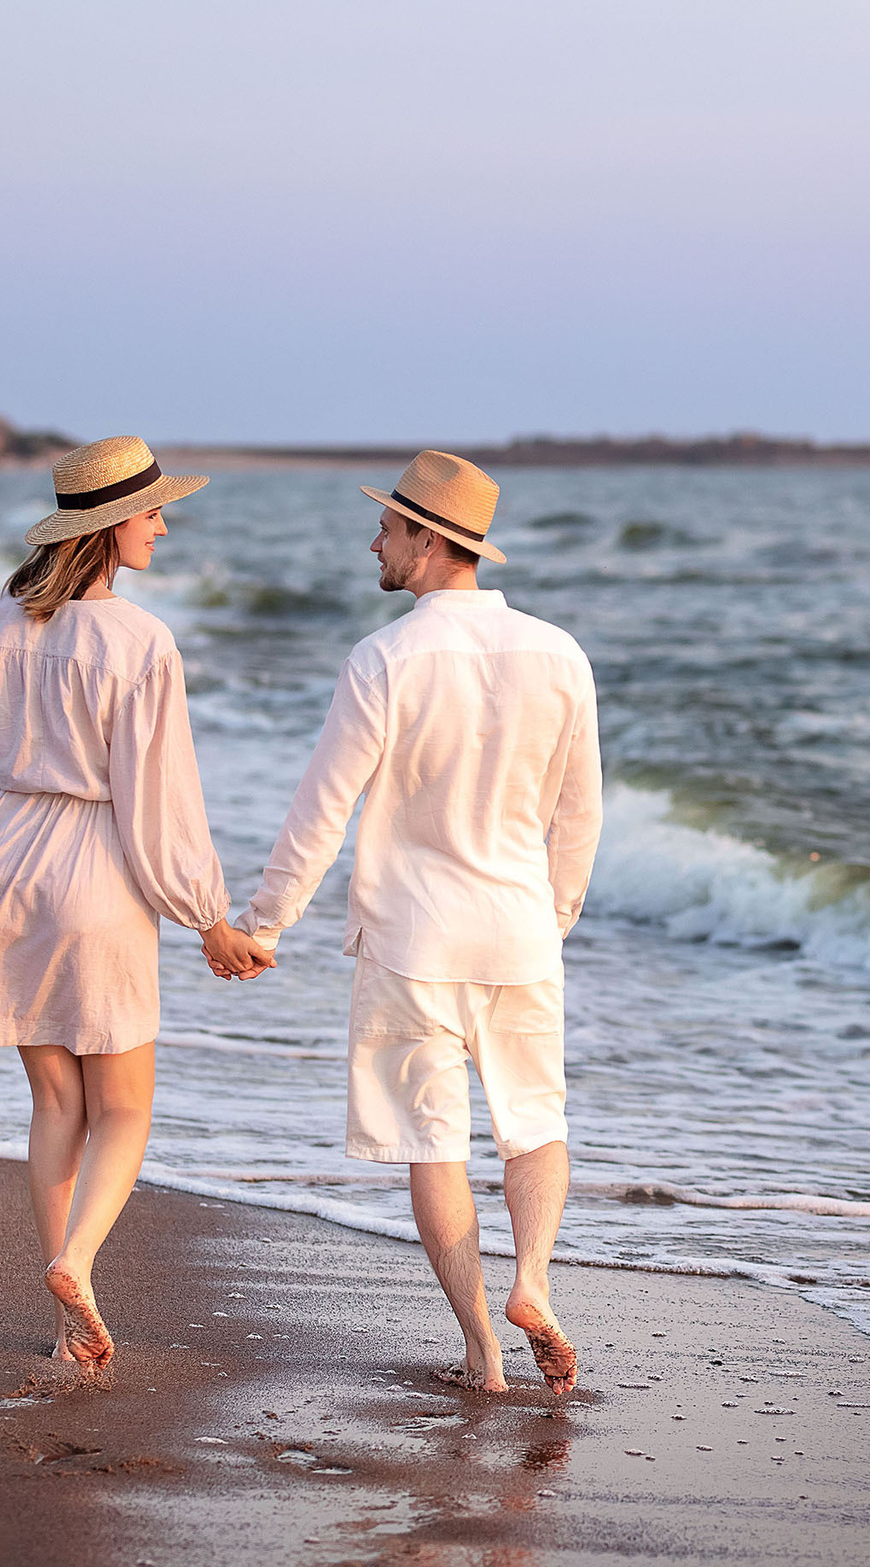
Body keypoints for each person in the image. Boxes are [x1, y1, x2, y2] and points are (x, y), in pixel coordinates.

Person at [231, 451, 602, 1394]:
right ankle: (534, 1283)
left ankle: (482, 1350)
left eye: (389, 529)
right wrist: (549, 919)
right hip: (519, 932)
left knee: (432, 1140)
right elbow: (580, 813)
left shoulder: (385, 657)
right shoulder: (560, 654)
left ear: (431, 541)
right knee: (536, 1120)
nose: (375, 542)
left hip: (410, 940)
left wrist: (267, 921)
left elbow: (325, 807)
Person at [0, 435, 269, 1372]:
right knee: (123, 1108)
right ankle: (76, 1262)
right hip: (95, 872)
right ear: (113, 523)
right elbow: (159, 802)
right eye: (154, 511)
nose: (162, 525)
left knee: (52, 1101)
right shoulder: (136, 639)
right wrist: (209, 916)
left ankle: (61, 1307)